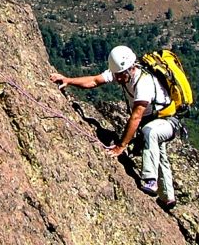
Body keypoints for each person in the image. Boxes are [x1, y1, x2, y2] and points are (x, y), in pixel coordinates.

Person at [49, 45, 179, 210]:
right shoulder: (122, 72)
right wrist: (68, 80)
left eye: (119, 76)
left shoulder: (143, 83)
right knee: (158, 151)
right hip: (155, 120)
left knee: (150, 133)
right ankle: (168, 197)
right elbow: (94, 81)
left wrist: (121, 146)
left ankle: (150, 180)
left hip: (167, 121)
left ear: (130, 69)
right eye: (116, 75)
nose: (117, 79)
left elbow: (136, 116)